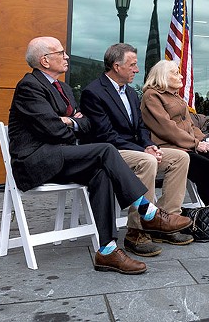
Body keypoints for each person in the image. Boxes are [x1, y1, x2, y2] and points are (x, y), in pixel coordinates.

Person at [7, 36, 191, 275]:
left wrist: (68, 122)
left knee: (101, 173)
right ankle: (148, 211)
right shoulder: (29, 86)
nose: (66, 57)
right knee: (105, 149)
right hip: (35, 162)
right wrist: (72, 122)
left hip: (62, 156)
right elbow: (53, 129)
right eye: (61, 53)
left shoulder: (62, 88)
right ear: (44, 60)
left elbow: (86, 126)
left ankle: (107, 250)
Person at [79, 43, 193, 255]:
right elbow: (105, 135)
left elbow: (140, 128)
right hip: (109, 152)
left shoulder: (131, 93)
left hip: (134, 149)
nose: (137, 70)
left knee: (180, 157)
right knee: (147, 161)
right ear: (116, 66)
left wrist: (149, 145)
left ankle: (165, 221)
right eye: (132, 65)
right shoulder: (93, 92)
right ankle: (136, 231)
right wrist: (144, 151)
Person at [141, 60, 209, 240]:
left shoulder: (176, 96)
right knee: (205, 166)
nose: (181, 75)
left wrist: (202, 139)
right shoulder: (152, 96)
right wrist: (194, 144)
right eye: (175, 73)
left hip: (187, 145)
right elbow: (167, 128)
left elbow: (190, 125)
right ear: (162, 76)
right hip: (169, 149)